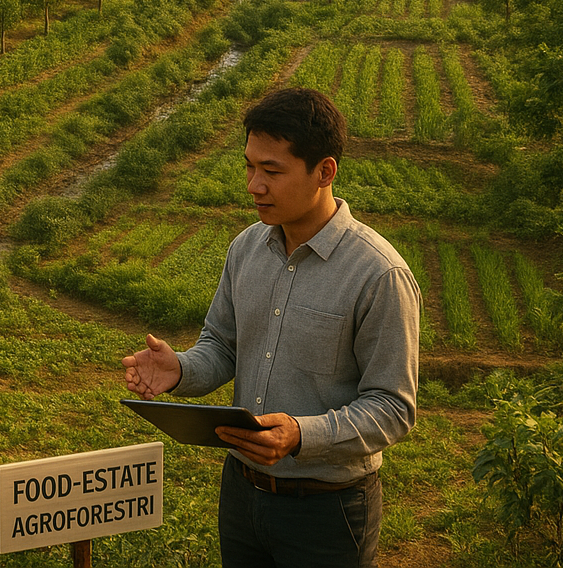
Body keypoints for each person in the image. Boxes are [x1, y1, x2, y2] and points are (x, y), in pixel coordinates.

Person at [122, 87, 420, 568]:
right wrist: (180, 369)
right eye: (249, 166)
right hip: (242, 494)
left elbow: (392, 407)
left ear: (324, 171)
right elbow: (222, 345)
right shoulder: (246, 249)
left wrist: (302, 434)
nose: (254, 185)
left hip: (328, 509)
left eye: (272, 171)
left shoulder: (377, 274)